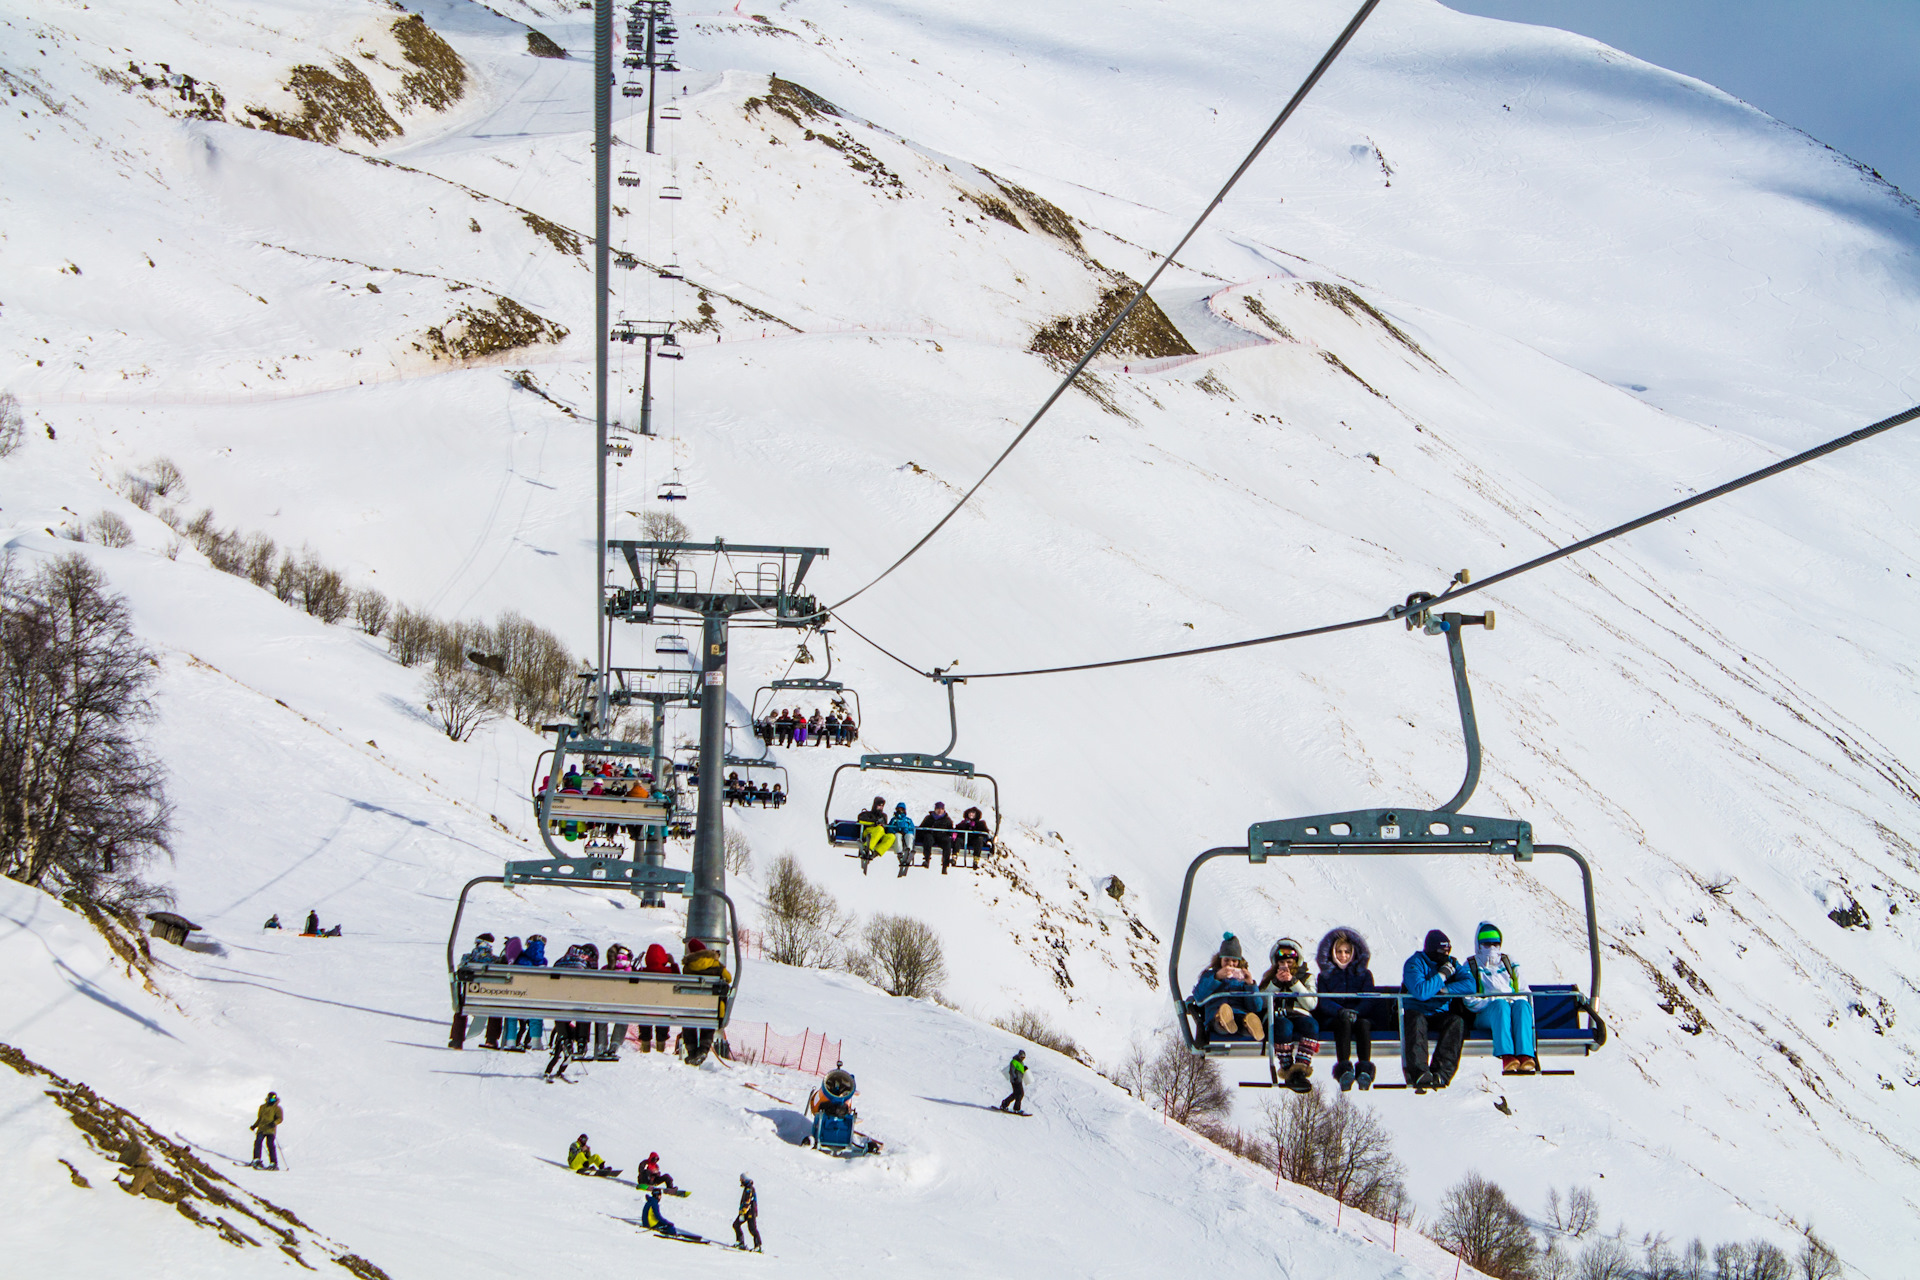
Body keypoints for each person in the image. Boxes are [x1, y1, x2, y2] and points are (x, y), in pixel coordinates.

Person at [1401, 929, 1477, 1092]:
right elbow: (1421, 992)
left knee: (1457, 1022)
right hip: (1416, 1011)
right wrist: (1441, 976)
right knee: (1416, 1021)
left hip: (1440, 1012)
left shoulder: (1452, 963)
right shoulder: (1415, 963)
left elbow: (1471, 985)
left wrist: (1445, 990)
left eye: (1448, 951)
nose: (1445, 955)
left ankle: (1442, 1073)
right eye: (1442, 951)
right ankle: (1419, 1072)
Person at [1314, 926, 1382, 1091]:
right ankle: (1344, 1069)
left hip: (1359, 1015)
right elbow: (1324, 1000)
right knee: (1342, 1023)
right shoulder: (1325, 976)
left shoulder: (1364, 974)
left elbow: (1369, 998)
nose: (1343, 956)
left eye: (1346, 951)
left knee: (1363, 1025)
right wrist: (1340, 1011)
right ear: (1332, 952)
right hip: (1335, 1017)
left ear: (1353, 953)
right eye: (1339, 952)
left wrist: (1357, 1012)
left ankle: (1364, 1070)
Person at [1465, 921, 1537, 1075]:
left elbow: (1524, 990)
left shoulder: (1508, 962)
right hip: (1485, 1014)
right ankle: (1507, 1056)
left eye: (1495, 944)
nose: (1491, 948)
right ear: (1478, 944)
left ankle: (1525, 1055)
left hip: (1509, 1009)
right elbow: (1469, 1000)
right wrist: (1493, 1001)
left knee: (1523, 1006)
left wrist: (1514, 1001)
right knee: (1500, 1006)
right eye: (1486, 943)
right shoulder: (1471, 965)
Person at [1259, 938, 1319, 1090]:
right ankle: (1287, 1068)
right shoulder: (1269, 979)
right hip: (1277, 1016)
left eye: (1289, 961)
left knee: (1311, 1025)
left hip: (1299, 1014)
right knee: (1284, 1026)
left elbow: (1311, 1004)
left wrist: (1293, 983)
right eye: (1281, 962)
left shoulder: (1306, 977)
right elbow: (1261, 1003)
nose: (1285, 966)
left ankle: (1300, 1069)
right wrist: (1276, 984)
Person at [1188, 938, 1262, 1044]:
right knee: (1221, 1019)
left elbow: (1256, 1006)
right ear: (1220, 960)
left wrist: (1250, 984)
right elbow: (1199, 996)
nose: (1230, 964)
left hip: (1238, 1013)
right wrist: (1216, 978)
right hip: (1215, 1014)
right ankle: (1223, 1020)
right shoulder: (1210, 975)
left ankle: (1249, 1024)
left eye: (1234, 961)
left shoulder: (1242, 979)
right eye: (1226, 960)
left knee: (1241, 1021)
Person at [683, 939, 732, 1063]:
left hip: (691, 1007)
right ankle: (703, 1050)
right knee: (709, 1019)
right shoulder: (716, 964)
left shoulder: (688, 967)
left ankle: (692, 1051)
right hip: (713, 1008)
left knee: (688, 1023)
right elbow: (729, 978)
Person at [449, 933, 497, 1049]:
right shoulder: (495, 960)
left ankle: (457, 1040)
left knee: (461, 1007)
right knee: (496, 1010)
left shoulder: (468, 958)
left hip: (470, 996)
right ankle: (491, 1039)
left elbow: (461, 972)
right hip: (488, 997)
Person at [509, 935, 548, 1053]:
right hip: (535, 991)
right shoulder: (543, 960)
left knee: (511, 1012)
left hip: (518, 991)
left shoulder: (521, 957)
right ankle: (536, 1041)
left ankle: (510, 1041)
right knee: (536, 1013)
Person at [640, 942, 681, 1052]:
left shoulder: (642, 972)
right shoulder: (670, 972)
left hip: (645, 1011)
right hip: (664, 1010)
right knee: (663, 1013)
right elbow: (680, 980)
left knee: (644, 1015)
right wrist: (672, 963)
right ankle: (661, 1045)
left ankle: (645, 1046)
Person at [603, 944, 635, 1059]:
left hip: (605, 1006)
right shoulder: (632, 972)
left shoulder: (605, 970)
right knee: (624, 1015)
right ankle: (615, 1044)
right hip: (623, 1006)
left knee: (600, 1016)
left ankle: (601, 1044)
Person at [856, 796, 893, 873]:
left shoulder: (884, 816)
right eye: (879, 805)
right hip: (869, 832)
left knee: (891, 837)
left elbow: (885, 827)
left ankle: (874, 853)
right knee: (879, 829)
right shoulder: (867, 814)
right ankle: (868, 848)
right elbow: (861, 821)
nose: (880, 808)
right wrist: (874, 823)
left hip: (880, 834)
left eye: (882, 806)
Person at [249, 1092, 282, 1169]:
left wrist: (274, 1123)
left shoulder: (277, 1108)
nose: (272, 1100)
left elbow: (280, 1118)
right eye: (271, 1098)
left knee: (270, 1144)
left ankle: (273, 1163)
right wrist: (255, 1125)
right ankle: (256, 1159)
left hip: (270, 1129)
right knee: (258, 1142)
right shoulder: (262, 1107)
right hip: (262, 1128)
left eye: (273, 1099)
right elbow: (260, 1118)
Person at [918, 802, 955, 870]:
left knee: (947, 842)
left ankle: (945, 863)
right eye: (938, 809)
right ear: (935, 809)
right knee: (928, 838)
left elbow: (950, 830)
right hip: (931, 835)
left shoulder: (947, 819)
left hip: (941, 836)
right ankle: (927, 859)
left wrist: (953, 835)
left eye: (941, 809)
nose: (939, 810)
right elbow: (921, 828)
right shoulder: (929, 818)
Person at [887, 803, 917, 878]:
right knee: (897, 836)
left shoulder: (908, 820)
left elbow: (912, 829)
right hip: (898, 833)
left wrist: (906, 831)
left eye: (902, 809)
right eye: (898, 809)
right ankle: (899, 853)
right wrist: (895, 831)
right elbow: (890, 828)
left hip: (906, 833)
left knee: (909, 836)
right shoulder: (894, 820)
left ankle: (909, 851)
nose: (900, 811)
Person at [734, 1174, 762, 1251]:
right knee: (736, 1224)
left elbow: (747, 1201)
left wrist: (743, 1211)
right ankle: (740, 1242)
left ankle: (758, 1246)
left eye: (741, 1180)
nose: (740, 1181)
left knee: (752, 1228)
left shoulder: (749, 1188)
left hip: (750, 1212)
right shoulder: (747, 1188)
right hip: (746, 1212)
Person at [999, 1049, 1029, 1113]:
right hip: (1015, 1080)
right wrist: (1014, 1078)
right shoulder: (1014, 1062)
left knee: (1016, 1094)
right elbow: (1011, 1071)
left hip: (1019, 1080)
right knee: (1020, 1094)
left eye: (1024, 1057)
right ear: (1018, 1056)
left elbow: (1019, 1071)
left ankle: (1005, 1103)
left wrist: (1024, 1069)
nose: (1022, 1059)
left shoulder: (1021, 1063)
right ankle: (1016, 1109)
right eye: (1021, 1057)